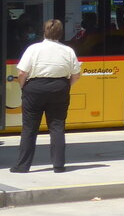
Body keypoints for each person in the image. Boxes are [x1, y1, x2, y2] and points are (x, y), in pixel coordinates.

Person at [10, 19, 82, 174]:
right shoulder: (68, 50)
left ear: (44, 31)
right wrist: (65, 86)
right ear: (61, 33)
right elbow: (76, 74)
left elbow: (22, 72)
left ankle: (22, 166)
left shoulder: (33, 49)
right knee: (57, 126)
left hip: (34, 88)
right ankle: (58, 166)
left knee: (29, 128)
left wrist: (24, 87)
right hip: (59, 88)